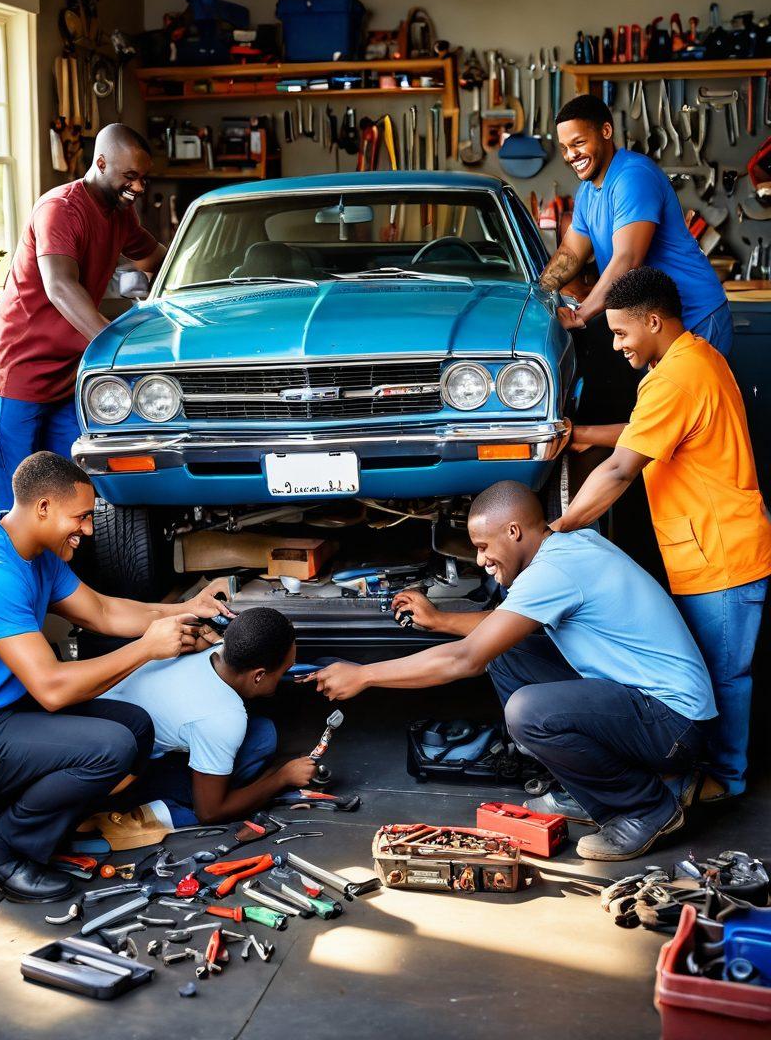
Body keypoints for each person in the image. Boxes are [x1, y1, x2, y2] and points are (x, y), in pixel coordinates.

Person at [308, 481, 716, 861]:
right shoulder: (565, 548)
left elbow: (464, 659)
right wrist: (440, 620)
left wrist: (364, 675)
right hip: (650, 708)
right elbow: (505, 625)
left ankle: (646, 808)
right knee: (508, 653)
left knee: (528, 712)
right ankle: (589, 790)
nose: (481, 560)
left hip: (672, 726)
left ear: (514, 532)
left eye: (483, 547)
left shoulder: (553, 572)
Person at [0, 451, 230, 903]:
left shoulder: (33, 550)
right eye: (81, 517)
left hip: (4, 710)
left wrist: (186, 609)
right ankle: (0, 853)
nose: (89, 530)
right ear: (43, 508)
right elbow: (53, 690)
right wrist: (147, 648)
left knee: (135, 725)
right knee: (109, 748)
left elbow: (103, 612)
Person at [552, 266, 771, 803]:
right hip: (714, 542)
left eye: (621, 332)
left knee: (722, 676)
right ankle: (708, 771)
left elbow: (620, 469)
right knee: (713, 672)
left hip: (720, 552)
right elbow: (648, 430)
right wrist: (585, 434)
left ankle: (725, 779)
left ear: (653, 321)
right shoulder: (694, 357)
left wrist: (559, 528)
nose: (617, 345)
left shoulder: (674, 378)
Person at [0, 124, 164, 513]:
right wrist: (119, 349)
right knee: (18, 507)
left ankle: (68, 559)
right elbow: (59, 286)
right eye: (130, 176)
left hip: (66, 381)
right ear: (101, 163)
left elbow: (158, 258)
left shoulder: (119, 215)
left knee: (73, 495)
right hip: (18, 377)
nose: (139, 187)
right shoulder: (60, 209)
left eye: (144, 178)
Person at [98, 608, 316, 836]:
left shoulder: (212, 648)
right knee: (261, 741)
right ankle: (161, 809)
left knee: (261, 732)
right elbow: (209, 813)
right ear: (258, 676)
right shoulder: (224, 718)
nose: (286, 675)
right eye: (284, 671)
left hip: (100, 720)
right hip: (117, 775)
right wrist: (281, 778)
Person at [541, 94, 732, 355]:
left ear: (606, 131)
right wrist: (538, 293)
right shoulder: (587, 191)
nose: (571, 155)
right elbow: (571, 253)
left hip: (695, 317)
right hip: (653, 325)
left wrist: (581, 314)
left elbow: (628, 259)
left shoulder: (633, 176)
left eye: (579, 143)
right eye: (565, 148)